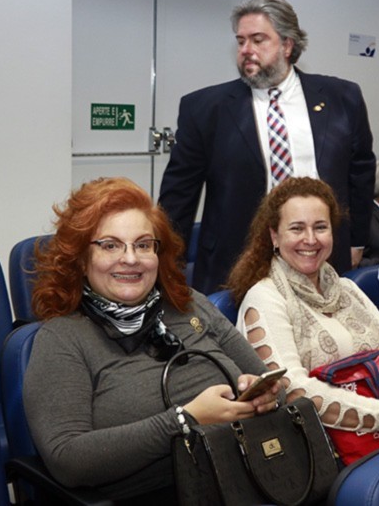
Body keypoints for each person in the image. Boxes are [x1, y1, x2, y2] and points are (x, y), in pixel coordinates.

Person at [24, 178, 279, 503]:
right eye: (110, 245)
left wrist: (263, 396)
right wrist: (184, 420)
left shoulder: (190, 304)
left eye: (143, 245)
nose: (131, 258)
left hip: (246, 476)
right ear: (81, 258)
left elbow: (274, 387)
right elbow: (67, 460)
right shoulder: (62, 339)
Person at [159, 0, 375, 294]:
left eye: (258, 40)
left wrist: (356, 241)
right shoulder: (205, 108)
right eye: (241, 41)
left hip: (320, 254)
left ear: (287, 45)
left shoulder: (342, 98)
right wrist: (167, 262)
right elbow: (179, 194)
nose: (246, 50)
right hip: (236, 260)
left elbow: (360, 173)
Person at [227, 177, 379, 461]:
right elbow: (293, 391)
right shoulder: (265, 297)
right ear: (274, 236)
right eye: (297, 228)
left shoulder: (347, 288)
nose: (310, 239)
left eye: (320, 227)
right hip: (320, 452)